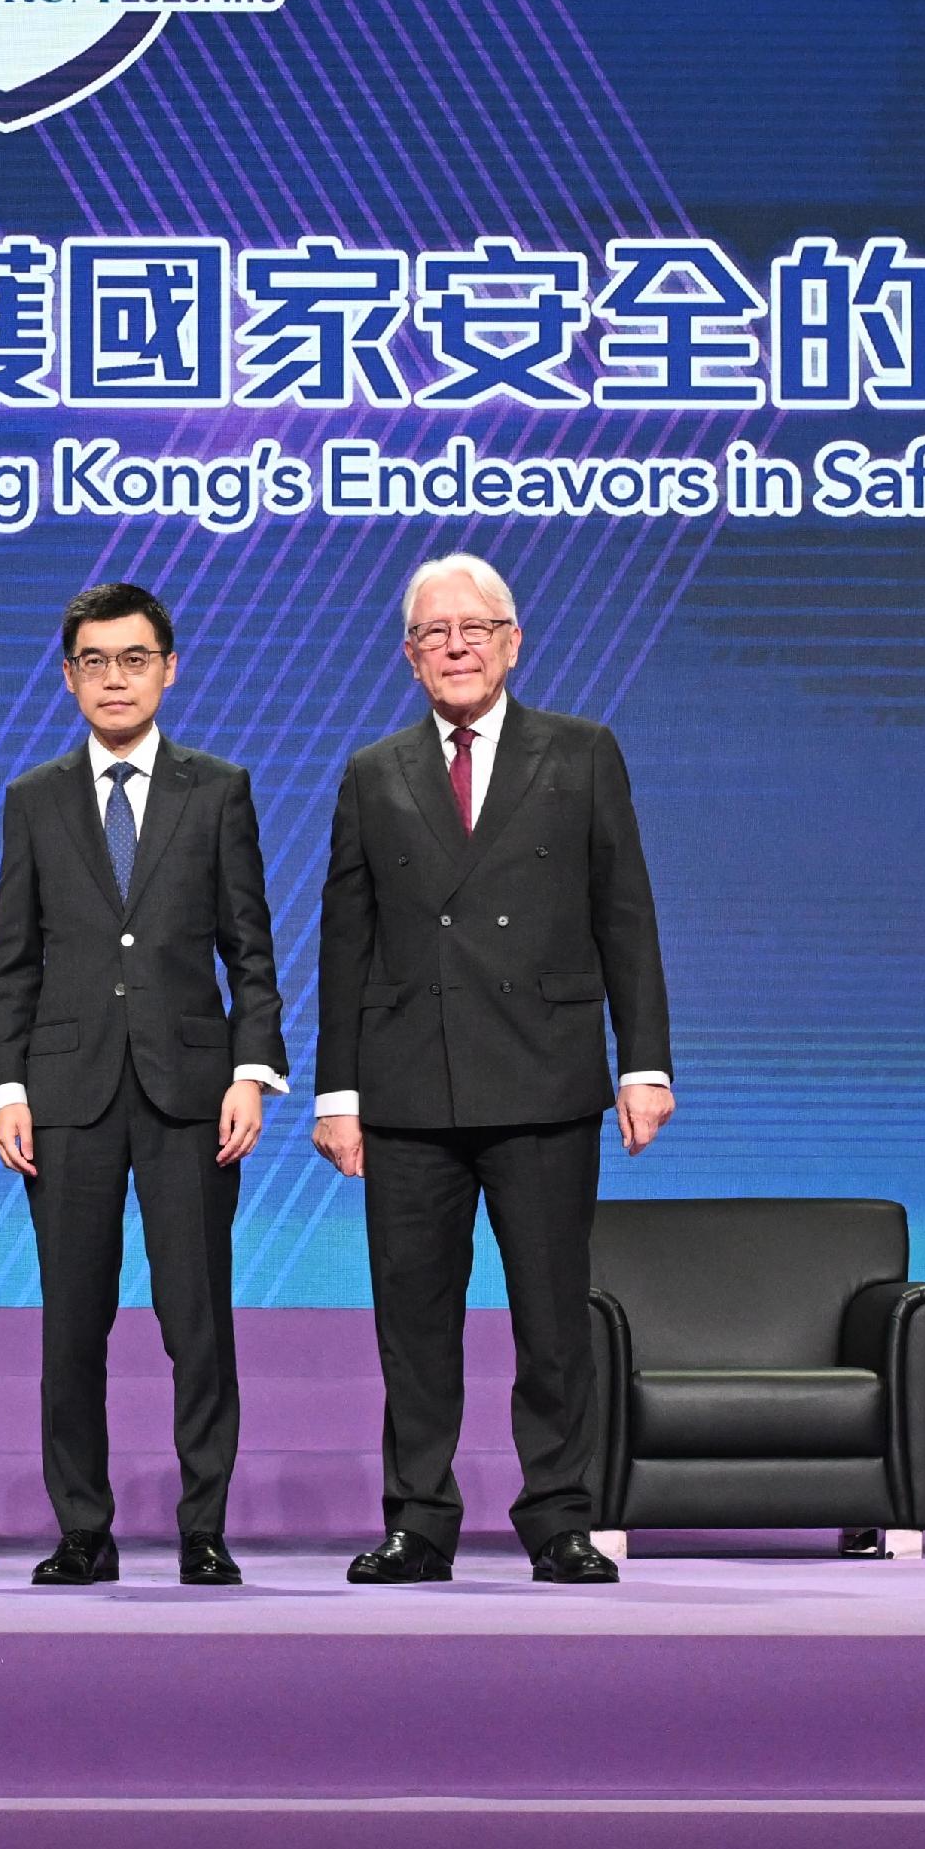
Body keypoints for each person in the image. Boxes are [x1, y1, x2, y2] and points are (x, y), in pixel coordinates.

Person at [311, 553, 673, 1585]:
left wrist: (641, 1061)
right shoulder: (373, 772)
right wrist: (340, 1091)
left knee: (552, 1316)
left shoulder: (582, 753)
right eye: (435, 633)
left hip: (545, 1073)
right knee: (412, 1320)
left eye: (477, 628)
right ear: (409, 656)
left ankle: (559, 1515)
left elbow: (626, 918)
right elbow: (347, 939)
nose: (457, 645)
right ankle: (418, 1519)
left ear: (514, 642)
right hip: (409, 1085)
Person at [0, 580, 287, 1588]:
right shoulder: (32, 798)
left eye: (134, 659)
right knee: (72, 1323)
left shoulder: (218, 788)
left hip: (191, 1092)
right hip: (64, 1094)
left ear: (169, 667)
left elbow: (250, 949)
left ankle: (204, 1526)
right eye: (94, 662)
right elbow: (11, 960)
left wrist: (252, 1072)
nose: (115, 679)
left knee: (196, 1320)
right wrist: (5, 1087)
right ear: (68, 677)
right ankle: (82, 1530)